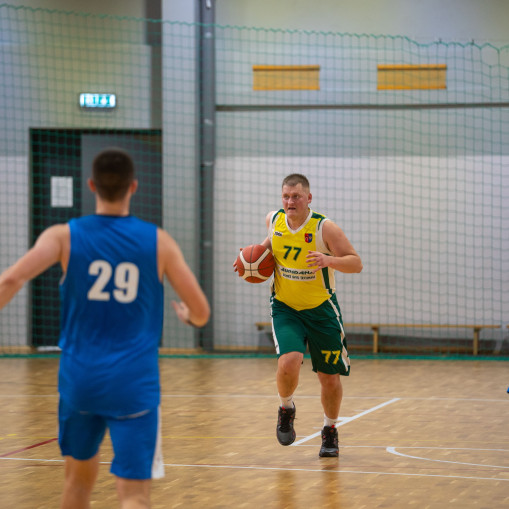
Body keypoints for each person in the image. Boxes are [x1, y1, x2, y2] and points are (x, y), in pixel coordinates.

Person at [0, 147, 210, 508]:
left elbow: (11, 280)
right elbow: (202, 312)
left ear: (92, 185)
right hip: (134, 384)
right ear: (133, 186)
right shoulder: (158, 241)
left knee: (77, 486)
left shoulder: (63, 236)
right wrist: (188, 317)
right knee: (134, 495)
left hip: (80, 381)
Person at [234, 174, 362, 457]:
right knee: (289, 361)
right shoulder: (274, 220)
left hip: (322, 310)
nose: (290, 201)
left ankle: (330, 430)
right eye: (286, 196)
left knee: (329, 378)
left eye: (296, 196)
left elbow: (356, 263)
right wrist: (248, 260)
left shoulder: (324, 228)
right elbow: (269, 246)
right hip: (285, 307)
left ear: (308, 198)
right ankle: (286, 408)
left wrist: (329, 260)